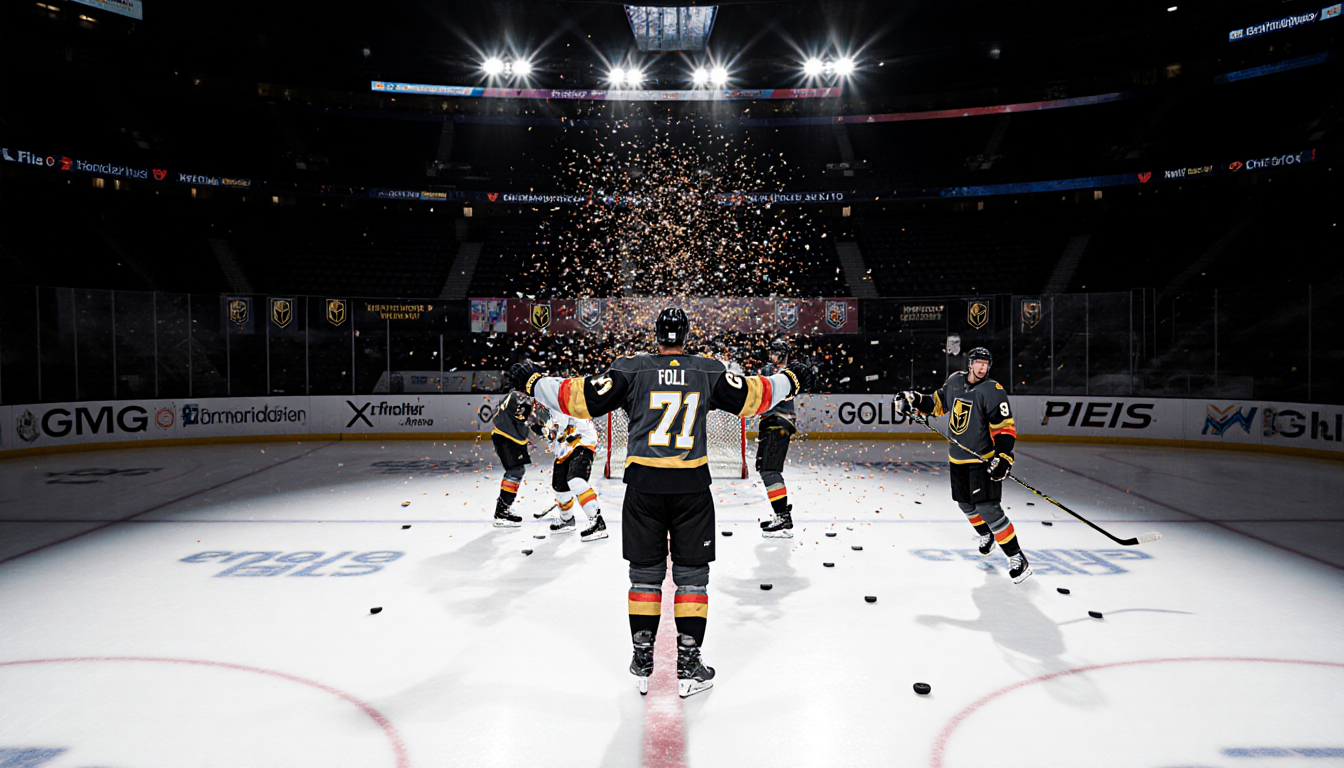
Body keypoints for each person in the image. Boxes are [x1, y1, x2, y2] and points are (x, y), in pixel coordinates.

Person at [511, 307, 812, 698]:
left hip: (643, 489)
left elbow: (579, 398)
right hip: (691, 490)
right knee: (692, 578)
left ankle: (642, 659)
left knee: (645, 576)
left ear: (656, 335)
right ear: (687, 335)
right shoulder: (707, 369)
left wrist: (533, 381)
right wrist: (792, 378)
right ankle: (688, 666)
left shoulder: (631, 369)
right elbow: (755, 396)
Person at [896, 347, 1032, 583]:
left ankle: (1017, 557)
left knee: (989, 509)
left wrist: (1004, 456)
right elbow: (936, 404)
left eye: (986, 364)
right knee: (965, 505)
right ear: (970, 364)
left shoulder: (993, 390)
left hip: (982, 461)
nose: (982, 367)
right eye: (978, 363)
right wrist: (914, 398)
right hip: (957, 458)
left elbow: (1004, 428)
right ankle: (986, 535)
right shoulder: (955, 382)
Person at [756, 338, 799, 538]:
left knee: (769, 470)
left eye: (774, 352)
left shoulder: (770, 371)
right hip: (779, 423)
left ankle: (782, 516)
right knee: (766, 469)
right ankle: (781, 514)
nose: (771, 356)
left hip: (776, 423)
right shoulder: (791, 372)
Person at [542, 410, 606, 541]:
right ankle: (567, 520)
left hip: (583, 442)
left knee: (576, 480)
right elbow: (556, 428)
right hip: (564, 448)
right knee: (559, 488)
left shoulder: (570, 394)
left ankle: (597, 522)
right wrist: (549, 432)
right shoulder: (551, 402)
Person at [489, 388, 543, 528]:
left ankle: (503, 509)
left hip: (507, 436)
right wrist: (539, 432)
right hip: (508, 437)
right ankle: (501, 513)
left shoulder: (517, 394)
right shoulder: (522, 397)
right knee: (515, 470)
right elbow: (522, 423)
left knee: (516, 471)